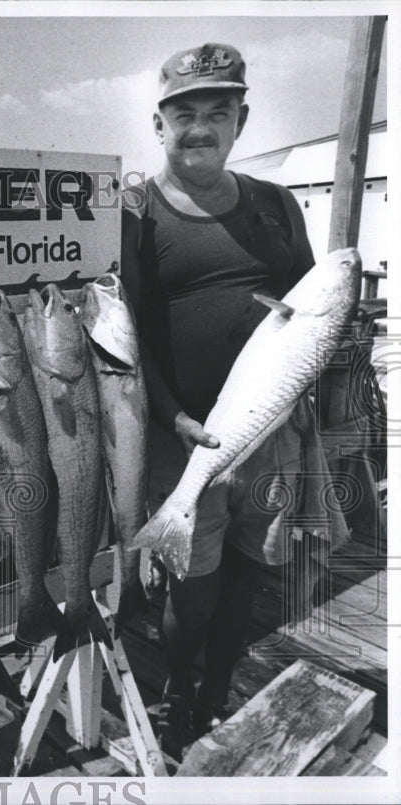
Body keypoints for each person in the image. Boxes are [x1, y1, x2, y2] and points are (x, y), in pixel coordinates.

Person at [119, 43, 349, 759]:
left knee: (250, 570)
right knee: (193, 589)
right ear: (159, 125)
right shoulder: (135, 212)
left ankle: (218, 688)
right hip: (182, 437)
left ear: (241, 122)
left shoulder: (277, 204)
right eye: (183, 113)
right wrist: (175, 418)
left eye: (217, 112)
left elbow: (311, 302)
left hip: (273, 434)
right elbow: (127, 329)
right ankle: (179, 698)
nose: (200, 127)